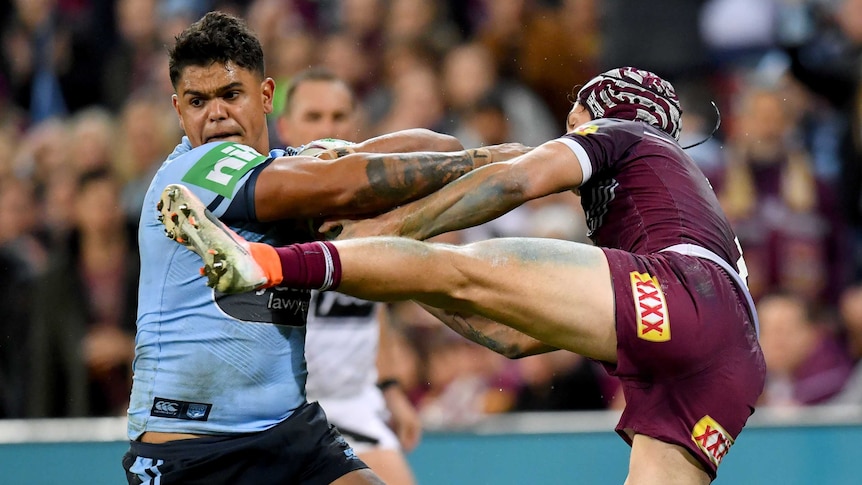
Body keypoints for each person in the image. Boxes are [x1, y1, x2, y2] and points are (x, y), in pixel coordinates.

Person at [159, 67, 767, 484]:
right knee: (451, 273)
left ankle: (262, 262)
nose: (567, 125)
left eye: (573, 114)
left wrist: (392, 238)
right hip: (733, 360)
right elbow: (514, 338)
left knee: (454, 267)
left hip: (684, 289)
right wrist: (419, 278)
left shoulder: (616, 132)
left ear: (601, 108)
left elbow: (514, 181)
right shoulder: (674, 191)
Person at [125, 11, 528, 485]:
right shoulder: (192, 170)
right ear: (178, 110)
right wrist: (489, 162)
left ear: (266, 96)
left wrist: (343, 154)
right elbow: (343, 186)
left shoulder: (287, 167)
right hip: (194, 450)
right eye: (197, 101)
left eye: (231, 95)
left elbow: (435, 142)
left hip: (290, 431)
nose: (215, 113)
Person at [276, 66, 420, 485]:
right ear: (284, 127)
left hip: (355, 403)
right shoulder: (266, 209)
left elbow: (372, 306)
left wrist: (390, 387)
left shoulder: (373, 208)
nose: (327, 128)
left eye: (339, 118)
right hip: (287, 407)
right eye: (314, 117)